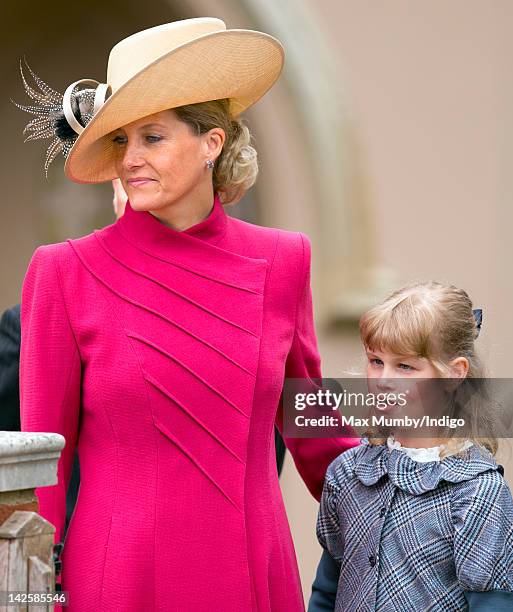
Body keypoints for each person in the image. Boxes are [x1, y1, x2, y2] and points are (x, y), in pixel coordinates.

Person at [16, 18, 358, 611]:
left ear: (212, 143)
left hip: (255, 577)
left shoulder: (283, 260)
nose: (131, 160)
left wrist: (421, 502)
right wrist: (23, 595)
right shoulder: (64, 272)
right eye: (122, 141)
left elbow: (317, 429)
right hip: (117, 584)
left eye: (152, 137)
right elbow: (39, 464)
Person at [308, 281, 513, 611]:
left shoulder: (478, 492)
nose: (383, 379)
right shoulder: (348, 474)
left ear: (454, 374)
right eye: (376, 360)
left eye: (405, 366)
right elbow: (326, 592)